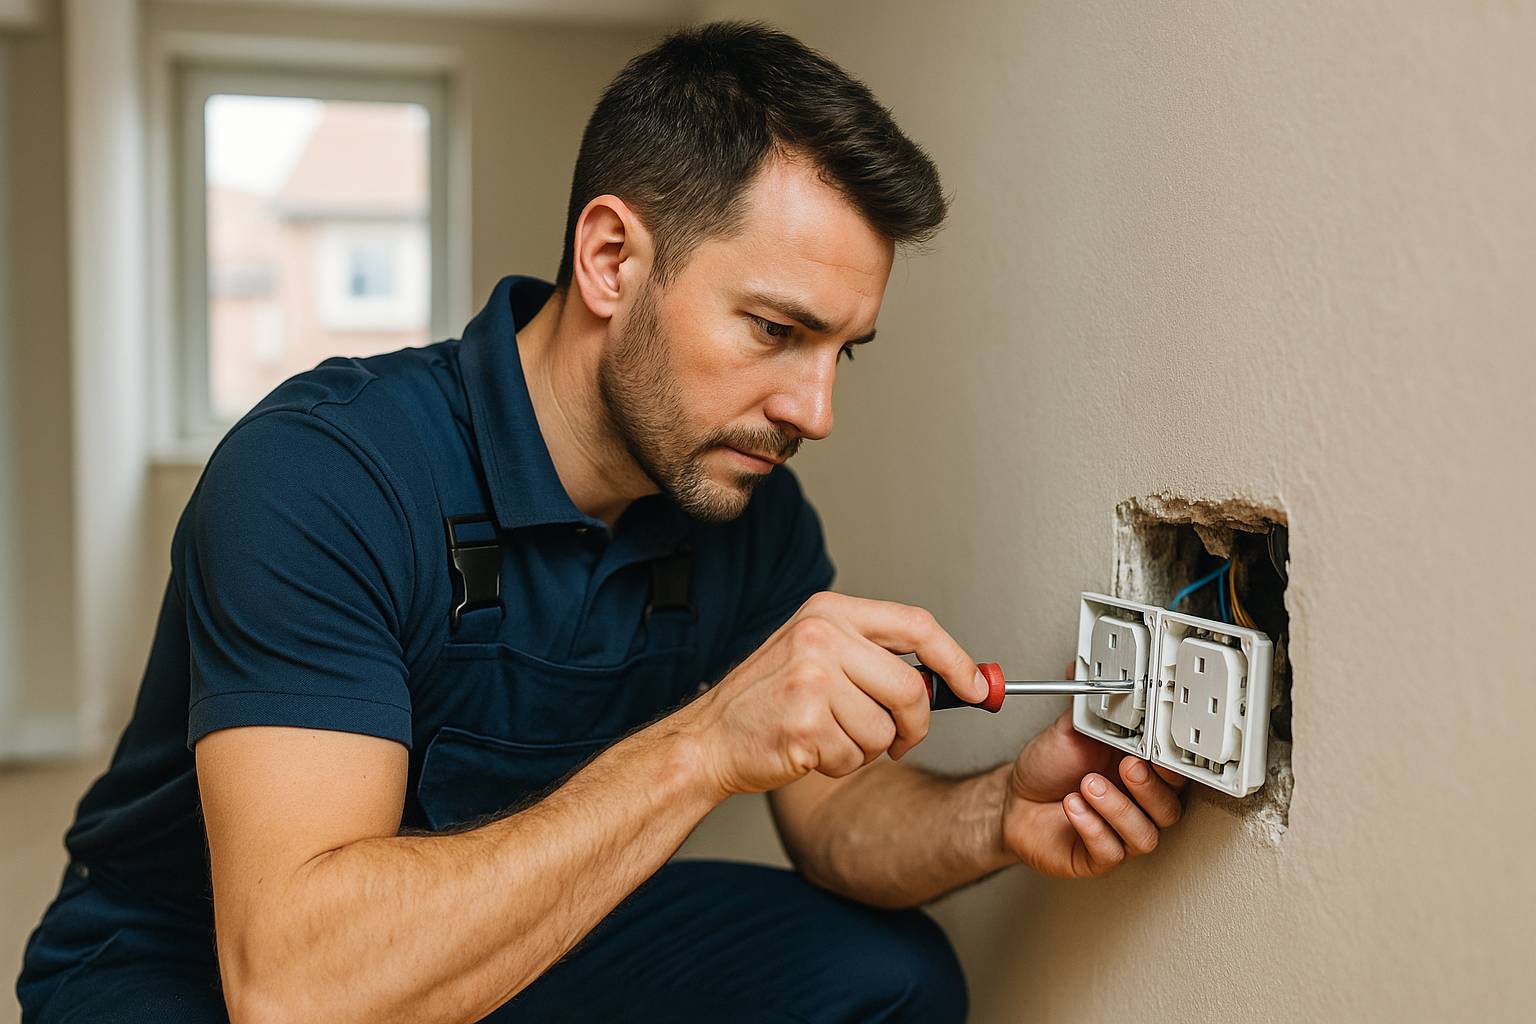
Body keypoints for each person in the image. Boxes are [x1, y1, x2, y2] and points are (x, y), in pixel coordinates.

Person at [17, 21, 1187, 1024]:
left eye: (843, 351)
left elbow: (832, 821)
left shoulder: (744, 505)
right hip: (200, 972)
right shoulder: (325, 474)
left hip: (503, 930)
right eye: (775, 331)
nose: (815, 410)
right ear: (613, 257)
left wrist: (1000, 813)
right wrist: (703, 742)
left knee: (887, 975)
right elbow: (299, 986)